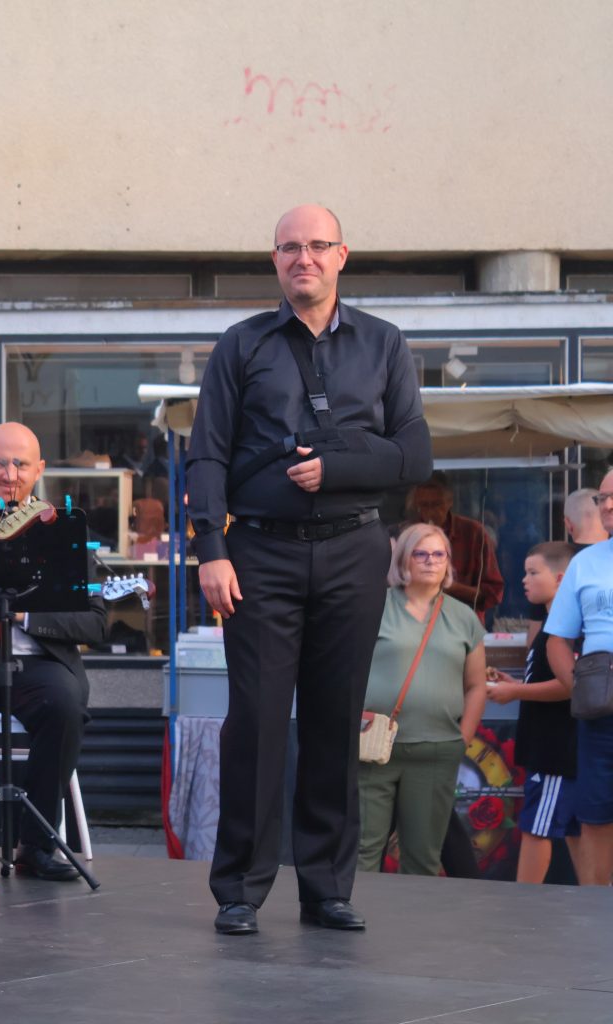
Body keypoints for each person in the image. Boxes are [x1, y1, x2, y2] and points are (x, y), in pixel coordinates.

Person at [186, 205, 432, 935]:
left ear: (342, 256)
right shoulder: (242, 345)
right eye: (290, 247)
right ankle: (239, 890)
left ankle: (327, 888)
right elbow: (206, 455)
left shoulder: (384, 345)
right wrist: (211, 549)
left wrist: (340, 469)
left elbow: (413, 456)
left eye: (318, 246)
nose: (305, 258)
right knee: (256, 725)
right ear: (275, 261)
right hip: (257, 553)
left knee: (334, 724)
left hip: (356, 549)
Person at [0, 422, 107, 881]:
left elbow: (96, 620)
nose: (10, 474)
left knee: (65, 708)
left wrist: (23, 616)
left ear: (39, 470)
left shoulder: (62, 524)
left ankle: (37, 845)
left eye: (21, 464)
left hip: (39, 664)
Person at [356, 524, 486, 876]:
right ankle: (350, 924)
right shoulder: (373, 607)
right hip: (373, 746)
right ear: (403, 560)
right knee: (363, 851)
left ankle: (413, 930)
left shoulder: (463, 617)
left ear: (448, 563)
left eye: (438, 554)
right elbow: (344, 671)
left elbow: (476, 685)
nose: (431, 562)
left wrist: (465, 736)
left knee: (423, 856)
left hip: (437, 749)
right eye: (421, 554)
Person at [486, 542, 583, 883]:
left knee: (536, 828)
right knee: (572, 828)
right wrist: (514, 681)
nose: (524, 580)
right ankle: (595, 896)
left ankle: (523, 903)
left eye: (533, 572)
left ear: (560, 578)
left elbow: (569, 685)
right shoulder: (553, 623)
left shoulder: (568, 627)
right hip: (552, 744)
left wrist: (515, 691)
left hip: (555, 747)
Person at [543, 469, 613, 887]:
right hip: (600, 715)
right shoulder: (586, 561)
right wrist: (585, 692)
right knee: (596, 815)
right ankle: (599, 917)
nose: (607, 506)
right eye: (602, 499)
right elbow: (556, 641)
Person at [409, 472, 504, 623]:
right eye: (424, 505)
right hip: (417, 623)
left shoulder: (474, 533)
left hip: (462, 625)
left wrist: (450, 586)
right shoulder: (408, 535)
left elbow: (493, 594)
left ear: (449, 501)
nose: (430, 512)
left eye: (436, 504)